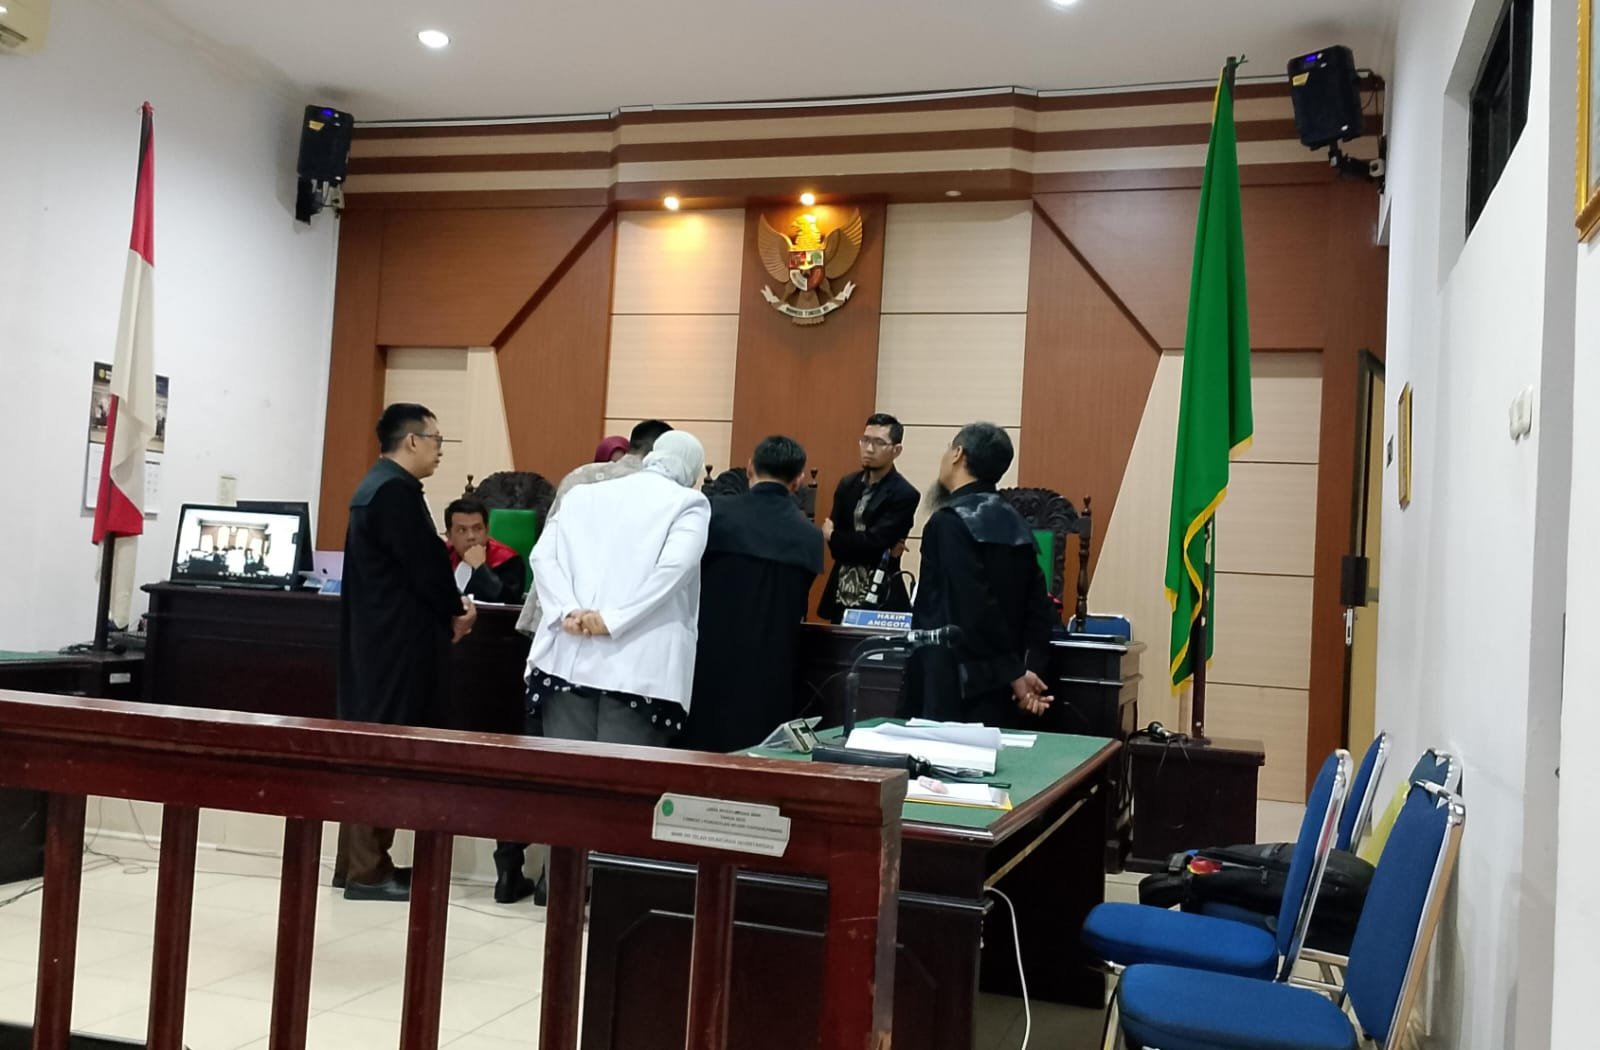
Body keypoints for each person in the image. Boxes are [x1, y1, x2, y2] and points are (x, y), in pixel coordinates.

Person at [336, 402, 477, 902]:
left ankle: (358, 864)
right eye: (436, 440)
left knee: (374, 744)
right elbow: (424, 566)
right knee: (387, 748)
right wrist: (456, 609)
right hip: (396, 645)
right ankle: (368, 871)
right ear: (412, 440)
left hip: (378, 641)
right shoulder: (393, 492)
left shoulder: (376, 485)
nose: (440, 450)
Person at [525, 431, 711, 746]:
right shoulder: (689, 503)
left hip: (566, 654)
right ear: (692, 472)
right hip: (637, 667)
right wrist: (612, 620)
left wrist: (568, 610)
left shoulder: (582, 495)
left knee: (566, 766)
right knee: (622, 772)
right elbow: (674, 569)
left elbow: (542, 557)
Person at [900, 422, 1055, 729]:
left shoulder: (948, 523)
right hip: (1001, 687)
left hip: (951, 683)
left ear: (958, 454)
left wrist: (1015, 674)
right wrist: (1024, 670)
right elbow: (1039, 610)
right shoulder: (1016, 524)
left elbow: (971, 607)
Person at [683, 436, 824, 753]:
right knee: (758, 754)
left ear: (750, 467)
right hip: (773, 665)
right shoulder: (810, 535)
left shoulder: (714, 513)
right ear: (798, 479)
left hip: (708, 656)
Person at [514, 419, 674, 637]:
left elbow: (546, 550)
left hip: (558, 602)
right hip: (611, 613)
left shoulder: (579, 476)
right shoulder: (661, 489)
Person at [818, 413, 919, 622]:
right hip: (843, 587)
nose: (869, 449)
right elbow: (837, 550)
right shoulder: (847, 484)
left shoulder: (905, 493)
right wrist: (843, 541)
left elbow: (875, 543)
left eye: (879, 443)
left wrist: (834, 536)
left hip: (880, 589)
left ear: (896, 450)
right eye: (865, 440)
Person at [443, 497, 526, 604]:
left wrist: (481, 568)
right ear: (449, 536)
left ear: (487, 531)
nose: (471, 536)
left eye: (477, 528)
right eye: (462, 530)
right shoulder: (440, 557)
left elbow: (509, 601)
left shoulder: (509, 560)